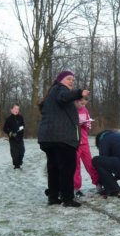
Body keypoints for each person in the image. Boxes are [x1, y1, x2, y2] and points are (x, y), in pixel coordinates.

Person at [37, 70, 89, 207]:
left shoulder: (52, 93)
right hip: (61, 138)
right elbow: (64, 97)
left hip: (48, 138)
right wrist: (79, 93)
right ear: (60, 80)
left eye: (73, 79)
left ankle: (53, 197)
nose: (71, 81)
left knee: (53, 168)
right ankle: (67, 198)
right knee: (67, 167)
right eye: (68, 79)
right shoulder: (60, 89)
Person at [73, 97, 99, 196]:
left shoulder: (85, 110)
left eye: (85, 104)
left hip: (85, 143)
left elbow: (88, 125)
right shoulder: (71, 110)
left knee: (90, 164)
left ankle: (98, 183)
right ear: (76, 101)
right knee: (76, 166)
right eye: (81, 103)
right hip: (75, 143)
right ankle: (76, 187)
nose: (83, 106)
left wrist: (86, 124)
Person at [3, 104, 25, 169]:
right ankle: (16, 165)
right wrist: (11, 133)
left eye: (18, 109)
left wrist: (20, 129)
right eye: (15, 109)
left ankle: (20, 161)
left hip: (20, 138)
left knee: (22, 151)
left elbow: (23, 125)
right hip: (12, 139)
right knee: (15, 153)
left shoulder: (21, 117)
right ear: (11, 110)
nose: (16, 110)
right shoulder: (8, 119)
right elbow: (5, 128)